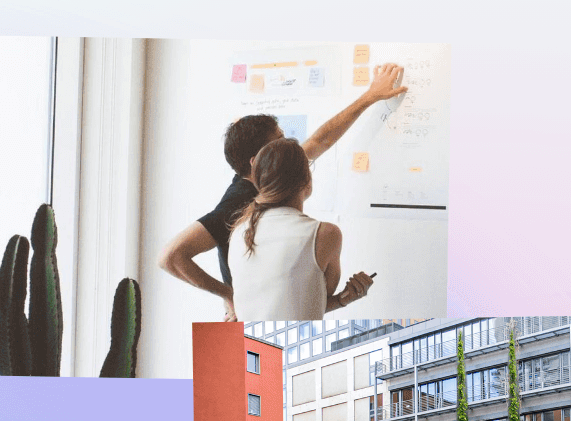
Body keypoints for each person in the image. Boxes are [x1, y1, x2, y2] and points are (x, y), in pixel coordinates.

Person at [158, 63, 407, 319]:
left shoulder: (274, 178)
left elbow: (321, 140)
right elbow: (171, 256)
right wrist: (230, 295)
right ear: (257, 161)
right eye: (279, 140)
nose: (291, 145)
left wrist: (370, 97)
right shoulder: (237, 203)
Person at [224, 137, 369, 320]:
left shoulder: (238, 232)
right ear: (307, 179)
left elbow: (292, 304)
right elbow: (314, 303)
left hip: (251, 345)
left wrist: (343, 299)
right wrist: (343, 298)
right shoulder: (324, 235)